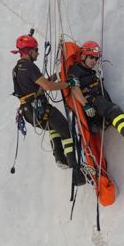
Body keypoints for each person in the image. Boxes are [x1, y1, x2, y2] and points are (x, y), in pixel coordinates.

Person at [11, 34, 87, 186]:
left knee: (53, 126)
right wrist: (67, 84)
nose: (38, 53)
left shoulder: (17, 68)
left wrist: (57, 76)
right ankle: (76, 170)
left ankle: (59, 156)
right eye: (36, 50)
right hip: (39, 108)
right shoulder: (30, 66)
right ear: (28, 50)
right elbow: (47, 87)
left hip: (28, 113)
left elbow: (40, 84)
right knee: (65, 129)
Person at [68, 41, 124, 163]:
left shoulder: (91, 71)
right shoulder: (75, 70)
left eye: (96, 58)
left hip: (100, 103)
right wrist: (86, 105)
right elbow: (74, 88)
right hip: (93, 102)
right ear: (83, 56)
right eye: (91, 57)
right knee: (115, 110)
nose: (94, 60)